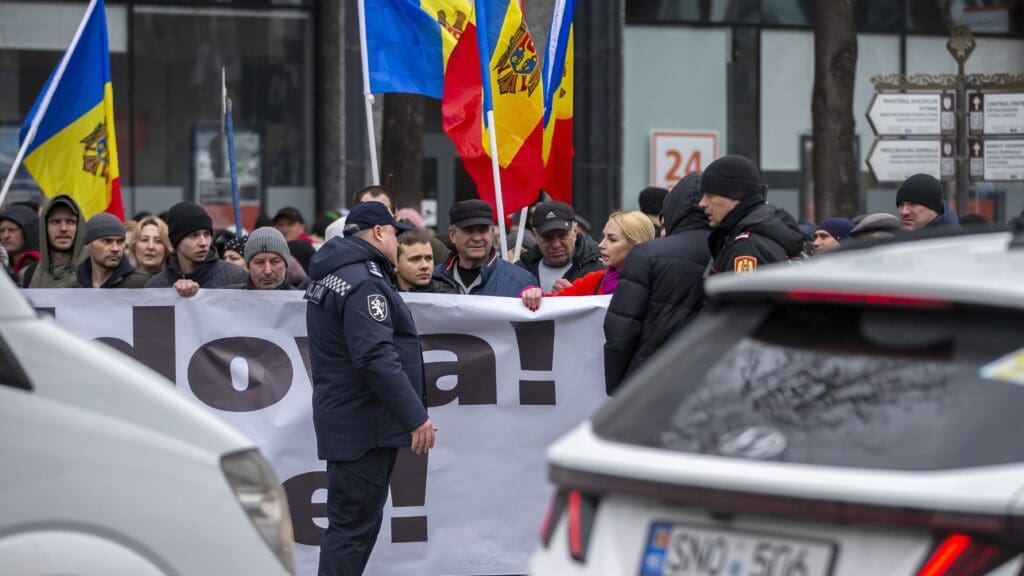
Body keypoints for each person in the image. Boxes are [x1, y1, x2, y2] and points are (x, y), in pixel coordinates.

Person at [305, 201, 435, 576]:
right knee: (353, 529)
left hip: (354, 421)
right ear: (379, 233)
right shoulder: (364, 281)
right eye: (394, 233)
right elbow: (375, 356)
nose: (397, 240)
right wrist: (415, 416)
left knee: (355, 526)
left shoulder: (338, 273)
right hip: (364, 426)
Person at [603, 172, 711, 394]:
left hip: (652, 377)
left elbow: (621, 327)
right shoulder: (731, 251)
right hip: (709, 377)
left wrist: (618, 384)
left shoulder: (647, 254)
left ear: (673, 208)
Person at [521, 211, 653, 309]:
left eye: (612, 239)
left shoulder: (658, 284)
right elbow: (545, 303)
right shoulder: (595, 280)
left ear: (637, 246)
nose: (601, 245)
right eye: (604, 237)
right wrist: (532, 293)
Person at [698, 155, 804, 275]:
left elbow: (741, 293)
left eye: (710, 196)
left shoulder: (746, 247)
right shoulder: (764, 231)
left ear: (735, 197)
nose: (701, 203)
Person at [433, 199, 537, 296]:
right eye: (469, 230)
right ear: (452, 235)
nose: (477, 238)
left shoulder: (521, 282)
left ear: (491, 233)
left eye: (483, 230)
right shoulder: (433, 279)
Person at [145, 202, 248, 296]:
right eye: (194, 235)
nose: (203, 243)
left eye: (207, 234)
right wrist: (171, 295)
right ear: (176, 241)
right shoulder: (156, 285)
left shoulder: (236, 277)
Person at [516, 201, 604, 294]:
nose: (556, 245)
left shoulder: (599, 269)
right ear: (535, 235)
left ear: (575, 230)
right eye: (547, 237)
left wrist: (576, 295)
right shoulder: (520, 271)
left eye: (562, 236)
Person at [72, 213, 149, 288]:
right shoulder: (73, 286)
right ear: (88, 245)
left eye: (120, 241)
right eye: (107, 241)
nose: (115, 249)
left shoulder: (142, 284)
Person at [25, 195, 87, 288]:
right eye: (55, 222)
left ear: (79, 226)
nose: (63, 228)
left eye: (70, 222)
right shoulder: (29, 274)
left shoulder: (95, 272)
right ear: (44, 227)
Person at [226, 227, 296, 290]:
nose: (268, 271)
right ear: (248, 266)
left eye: (275, 261)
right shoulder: (227, 299)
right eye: (259, 262)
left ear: (286, 264)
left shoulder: (300, 301)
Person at [896, 173, 960, 231]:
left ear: (934, 208)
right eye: (901, 205)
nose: (904, 212)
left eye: (913, 204)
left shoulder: (949, 241)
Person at [0, 204, 40, 284]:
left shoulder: (40, 268)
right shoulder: (2, 266)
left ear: (28, 232)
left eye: (12, 230)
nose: (6, 236)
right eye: (2, 231)